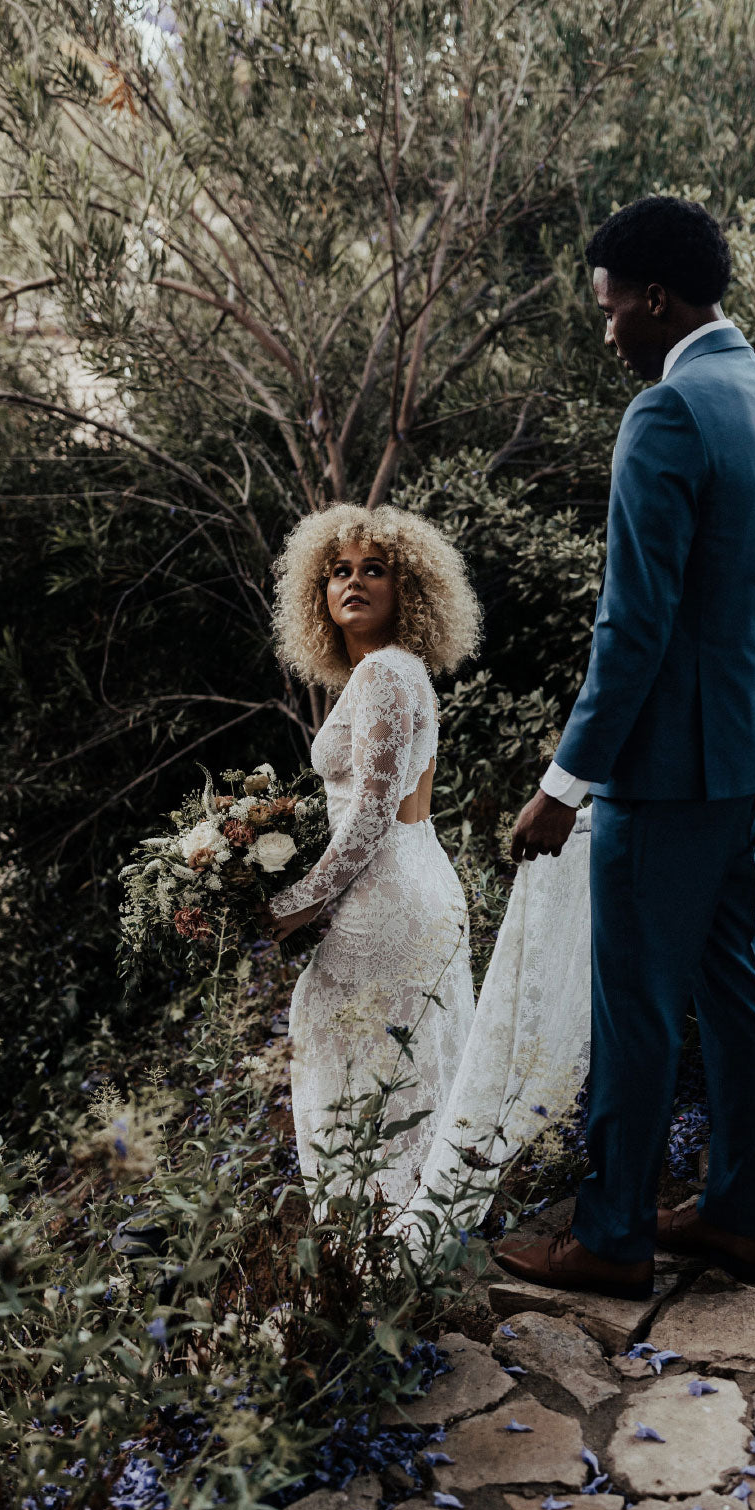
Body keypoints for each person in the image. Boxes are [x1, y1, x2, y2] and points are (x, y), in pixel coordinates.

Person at [496, 195, 755, 1294]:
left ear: (658, 298)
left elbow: (635, 625)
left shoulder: (670, 413)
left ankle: (613, 1236)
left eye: (610, 307)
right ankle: (734, 1216)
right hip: (747, 757)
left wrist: (563, 784)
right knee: (734, 989)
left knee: (635, 1001)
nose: (607, 330)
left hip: (668, 770)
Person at [267, 504, 481, 1206]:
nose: (352, 582)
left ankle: (379, 1243)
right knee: (396, 1065)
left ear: (408, 588)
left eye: (373, 569)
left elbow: (368, 816)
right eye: (338, 571)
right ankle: (403, 1238)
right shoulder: (398, 671)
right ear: (319, 593)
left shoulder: (385, 673)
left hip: (385, 896)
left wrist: (298, 904)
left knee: (365, 1068)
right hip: (416, 881)